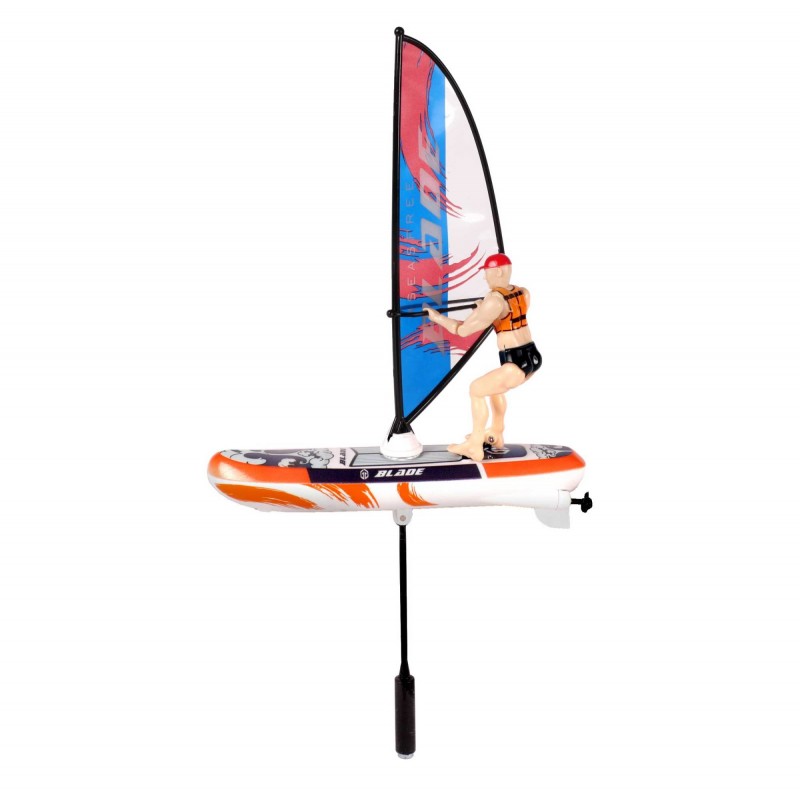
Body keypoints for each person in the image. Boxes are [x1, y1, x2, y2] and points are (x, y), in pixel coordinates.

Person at [424, 253, 541, 462]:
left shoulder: (494, 300)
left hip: (514, 364)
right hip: (532, 357)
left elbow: (461, 330)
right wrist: (484, 309)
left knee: (476, 390)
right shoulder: (523, 293)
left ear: (498, 271)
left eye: (487, 273)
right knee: (494, 388)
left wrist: (437, 318)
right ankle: (496, 432)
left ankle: (474, 445)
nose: (485, 278)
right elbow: (506, 316)